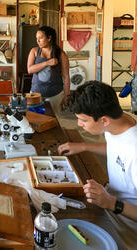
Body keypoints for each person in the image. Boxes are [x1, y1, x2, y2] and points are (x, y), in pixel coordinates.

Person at [58, 81, 137, 249]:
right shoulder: (120, 123)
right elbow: (118, 151)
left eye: (83, 120)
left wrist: (111, 202)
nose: (79, 124)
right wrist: (84, 146)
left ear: (104, 120)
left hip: (126, 231)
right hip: (111, 205)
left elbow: (129, 154)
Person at [27, 26, 70, 114]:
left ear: (49, 38)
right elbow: (30, 70)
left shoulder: (61, 54)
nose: (38, 41)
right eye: (37, 38)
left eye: (41, 38)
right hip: (36, 94)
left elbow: (66, 77)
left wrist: (67, 96)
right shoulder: (34, 51)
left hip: (56, 95)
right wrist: (47, 63)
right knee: (35, 119)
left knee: (54, 121)